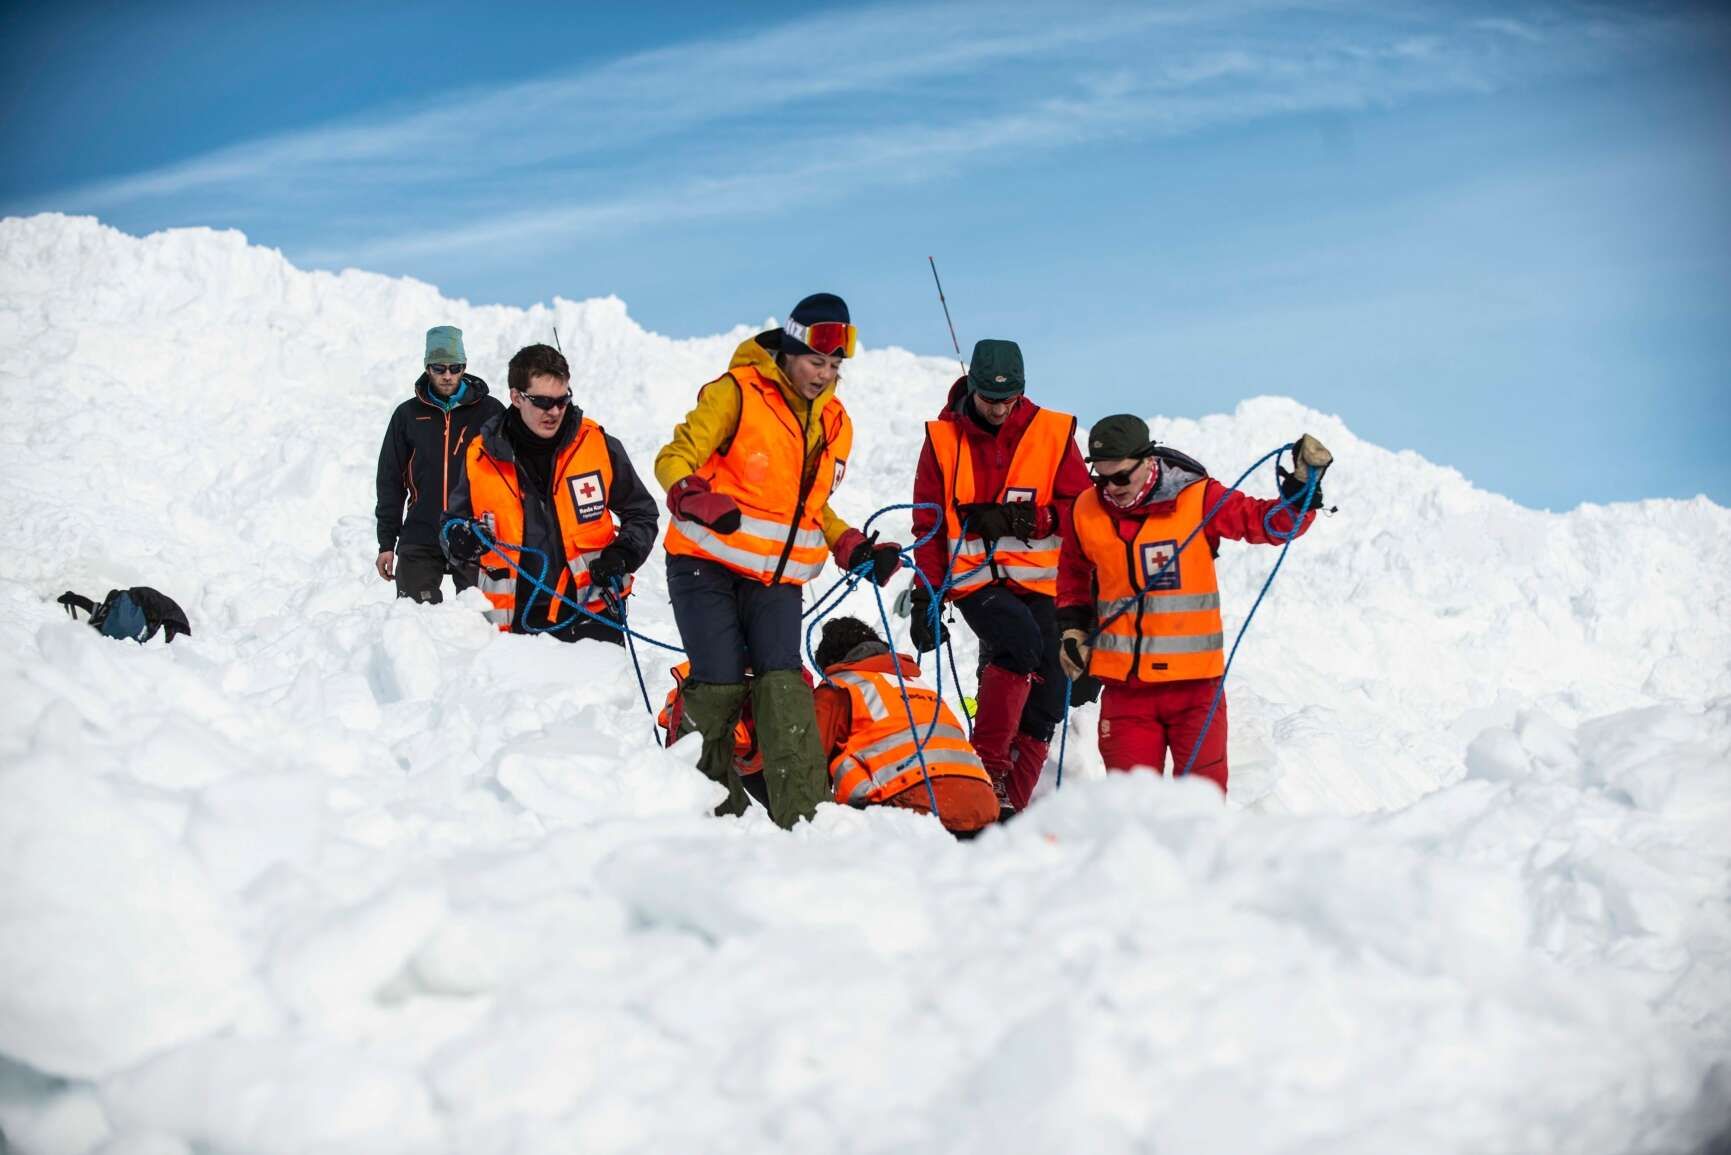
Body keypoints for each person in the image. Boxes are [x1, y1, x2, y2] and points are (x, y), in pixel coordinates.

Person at [655, 293, 902, 828]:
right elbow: (674, 456)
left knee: (785, 686)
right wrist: (691, 494)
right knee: (720, 683)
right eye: (815, 361)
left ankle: (807, 822)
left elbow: (810, 506)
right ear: (789, 351)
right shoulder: (737, 394)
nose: (825, 374)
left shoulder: (835, 422)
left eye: (834, 365)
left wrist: (850, 545)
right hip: (705, 562)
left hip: (777, 577)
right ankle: (713, 815)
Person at [1055, 414, 1333, 792]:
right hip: (1126, 692)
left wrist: (1302, 485)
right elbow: (1072, 572)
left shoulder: (1198, 498)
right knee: (1131, 808)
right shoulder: (1085, 510)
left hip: (1195, 690)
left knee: (1201, 804)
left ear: (1147, 460)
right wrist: (1072, 627)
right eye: (1101, 479)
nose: (1111, 489)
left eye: (1120, 477)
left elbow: (1268, 523)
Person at [908, 338, 1091, 817]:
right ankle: (984, 773)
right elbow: (929, 527)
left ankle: (1013, 803)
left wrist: (1030, 520)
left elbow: (1083, 509)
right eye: (990, 399)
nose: (999, 409)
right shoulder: (942, 441)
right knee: (1020, 643)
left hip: (1042, 581)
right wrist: (926, 596)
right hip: (975, 582)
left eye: (1008, 399)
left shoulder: (1052, 432)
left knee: (1052, 686)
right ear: (972, 387)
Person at [441, 343, 658, 642]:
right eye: (543, 401)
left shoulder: (597, 445)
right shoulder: (480, 456)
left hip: (594, 618)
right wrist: (459, 539)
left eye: (562, 400)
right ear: (516, 397)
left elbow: (642, 512)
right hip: (512, 630)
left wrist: (624, 554)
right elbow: (450, 527)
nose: (554, 411)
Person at [811, 616, 999, 836]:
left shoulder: (839, 687)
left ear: (831, 663)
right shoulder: (916, 684)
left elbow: (807, 760)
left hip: (911, 810)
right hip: (982, 807)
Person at [374, 325, 506, 602]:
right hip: (421, 534)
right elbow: (390, 481)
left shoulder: (490, 411)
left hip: (475, 534)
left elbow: (511, 474)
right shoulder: (407, 415)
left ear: (464, 367)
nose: (447, 375)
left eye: (455, 368)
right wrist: (386, 543)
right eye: (439, 368)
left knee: (483, 621)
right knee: (413, 620)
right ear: (427, 368)